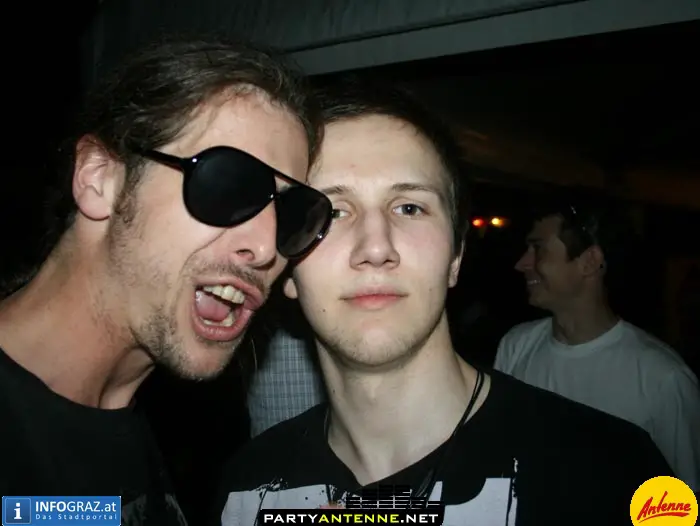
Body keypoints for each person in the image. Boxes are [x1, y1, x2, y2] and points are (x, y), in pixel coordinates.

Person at [213, 77, 674, 526]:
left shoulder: (615, 474)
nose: (376, 246)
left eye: (409, 207)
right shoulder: (244, 492)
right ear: (287, 264)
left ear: (455, 256)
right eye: (332, 211)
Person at [0, 36, 332, 524]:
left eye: (293, 212)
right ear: (99, 179)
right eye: (228, 185)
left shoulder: (140, 430)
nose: (266, 249)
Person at [494, 197, 700, 490]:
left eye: (538, 249)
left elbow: (685, 495)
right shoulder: (516, 345)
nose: (521, 264)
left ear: (589, 262)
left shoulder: (663, 378)